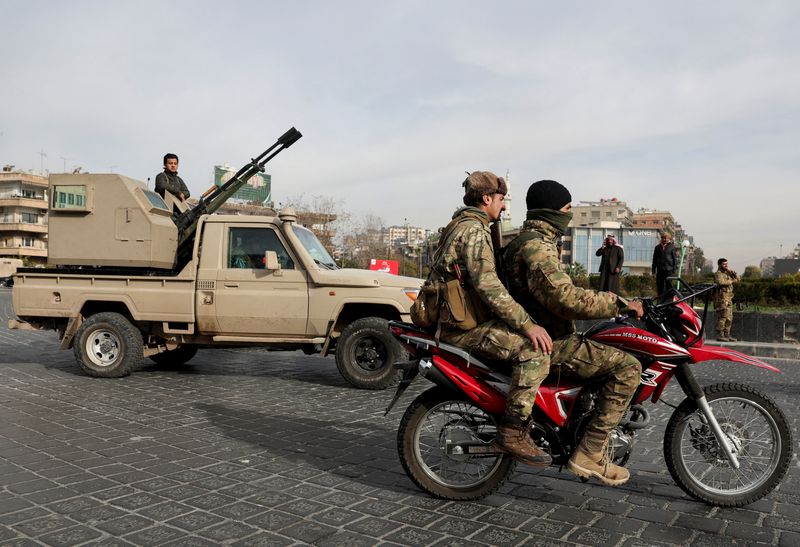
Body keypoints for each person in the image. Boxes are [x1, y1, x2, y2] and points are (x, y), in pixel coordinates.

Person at [503, 179, 644, 486]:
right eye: (567, 209)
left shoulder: (531, 240)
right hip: (549, 341)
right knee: (628, 367)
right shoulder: (536, 247)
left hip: (541, 333)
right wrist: (618, 304)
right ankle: (590, 452)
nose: (569, 215)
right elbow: (563, 298)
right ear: (552, 211)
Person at [427, 171, 553, 466]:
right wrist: (528, 325)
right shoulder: (473, 230)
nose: (504, 206)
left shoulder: (460, 224)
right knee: (533, 351)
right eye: (500, 199)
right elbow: (488, 287)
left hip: (456, 319)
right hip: (460, 327)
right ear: (486, 199)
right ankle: (513, 432)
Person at [714, 258, 740, 341]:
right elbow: (721, 282)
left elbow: (738, 279)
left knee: (729, 318)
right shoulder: (718, 274)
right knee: (723, 317)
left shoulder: (728, 273)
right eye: (724, 264)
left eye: (727, 264)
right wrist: (731, 281)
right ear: (719, 265)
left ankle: (727, 334)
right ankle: (720, 335)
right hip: (722, 298)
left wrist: (733, 273)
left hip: (729, 298)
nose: (726, 265)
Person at [652, 232, 678, 296]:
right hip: (660, 270)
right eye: (664, 238)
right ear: (662, 238)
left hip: (669, 270)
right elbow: (654, 259)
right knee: (660, 286)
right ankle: (660, 301)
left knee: (669, 286)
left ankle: (668, 300)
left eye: (667, 238)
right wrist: (653, 271)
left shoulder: (672, 247)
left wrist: (674, 270)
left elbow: (675, 259)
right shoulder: (657, 247)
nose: (666, 239)